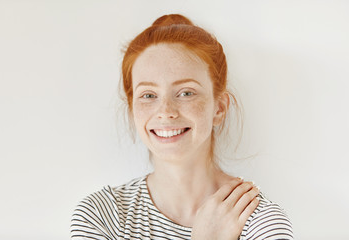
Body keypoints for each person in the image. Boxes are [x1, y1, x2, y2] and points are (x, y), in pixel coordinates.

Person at [70, 14, 293, 240]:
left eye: (186, 93)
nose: (166, 111)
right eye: (148, 95)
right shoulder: (101, 215)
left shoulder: (258, 219)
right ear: (132, 110)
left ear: (219, 108)